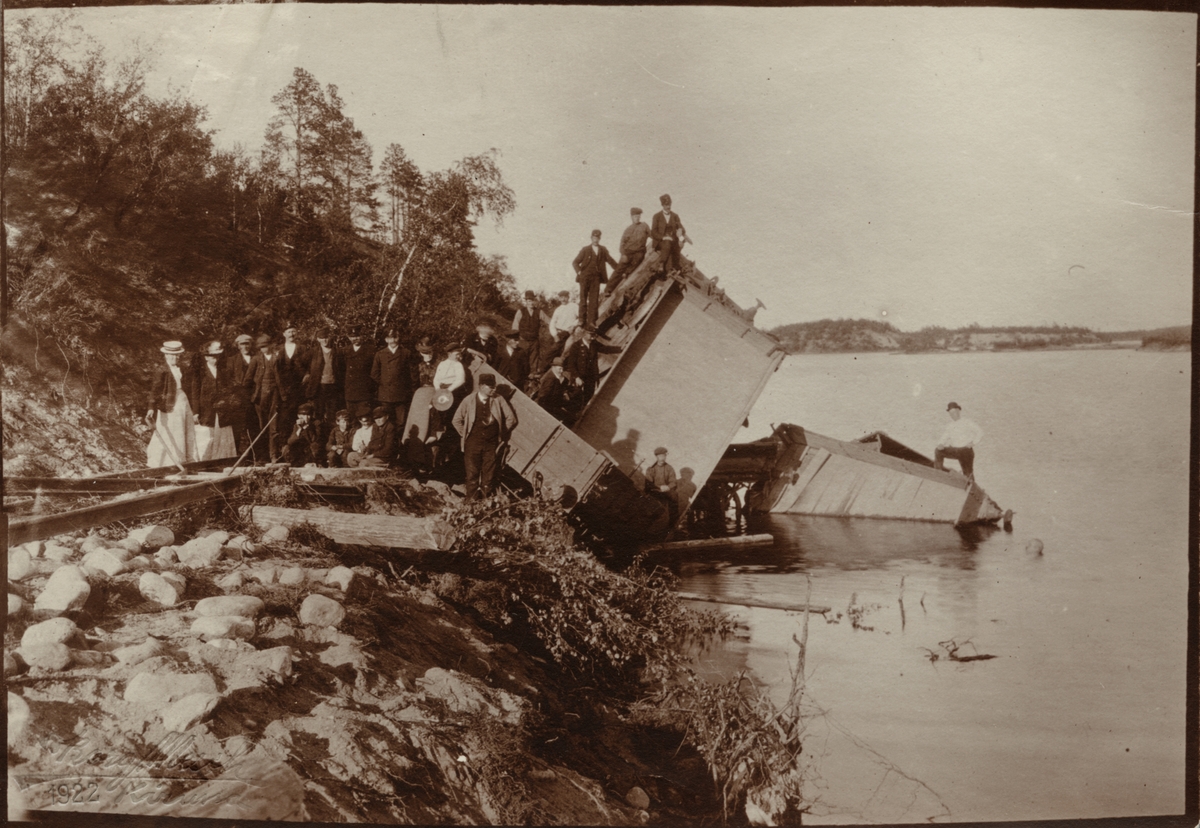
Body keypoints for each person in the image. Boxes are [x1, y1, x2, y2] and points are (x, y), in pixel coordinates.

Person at [452, 372, 518, 500]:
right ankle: (471, 502)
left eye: (494, 387)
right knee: (472, 475)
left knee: (488, 476)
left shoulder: (498, 399)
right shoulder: (469, 400)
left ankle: (485, 503)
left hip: (491, 444)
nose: (494, 389)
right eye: (491, 387)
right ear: (481, 386)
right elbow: (456, 420)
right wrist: (465, 433)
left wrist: (500, 433)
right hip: (472, 444)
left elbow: (511, 418)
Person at [145, 341, 197, 468]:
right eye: (173, 355)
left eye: (178, 355)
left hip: (182, 401)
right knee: (173, 430)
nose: (176, 358)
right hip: (169, 404)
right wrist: (151, 407)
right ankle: (168, 462)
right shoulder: (161, 370)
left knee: (185, 429)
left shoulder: (181, 369)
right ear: (166, 355)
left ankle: (186, 460)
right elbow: (155, 390)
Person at [191, 340, 237, 462]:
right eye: (213, 357)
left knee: (223, 435)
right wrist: (195, 411)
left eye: (217, 356)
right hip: (206, 410)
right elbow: (195, 393)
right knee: (207, 436)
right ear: (206, 357)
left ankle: (222, 461)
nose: (216, 359)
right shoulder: (200, 372)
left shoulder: (224, 371)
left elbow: (229, 390)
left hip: (223, 411)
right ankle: (204, 462)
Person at [403, 336, 440, 471]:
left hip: (435, 394)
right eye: (424, 353)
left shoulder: (439, 364)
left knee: (431, 426)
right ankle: (414, 460)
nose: (427, 355)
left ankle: (430, 463)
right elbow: (412, 382)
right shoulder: (417, 365)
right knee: (417, 427)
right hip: (419, 397)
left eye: (429, 352)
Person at [273, 321, 311, 449]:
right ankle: (284, 446)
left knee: (299, 416)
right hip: (283, 390)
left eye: (294, 331)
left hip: (299, 389)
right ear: (284, 334)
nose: (292, 334)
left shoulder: (303, 348)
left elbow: (308, 366)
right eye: (289, 332)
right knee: (284, 418)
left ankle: (301, 446)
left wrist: (307, 374)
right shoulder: (278, 349)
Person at [572, 229, 618, 327]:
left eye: (597, 238)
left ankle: (592, 321)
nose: (595, 240)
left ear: (599, 238)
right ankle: (581, 319)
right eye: (594, 238)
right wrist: (579, 272)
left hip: (596, 278)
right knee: (583, 298)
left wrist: (620, 269)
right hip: (584, 277)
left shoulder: (603, 250)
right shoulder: (585, 249)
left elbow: (611, 261)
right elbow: (575, 262)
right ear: (591, 238)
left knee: (594, 300)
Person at [371, 328, 414, 430]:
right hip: (385, 394)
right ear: (386, 339)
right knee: (387, 421)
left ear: (399, 338)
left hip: (401, 394)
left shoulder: (406, 353)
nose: (393, 340)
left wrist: (404, 387)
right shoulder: (380, 354)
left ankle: (400, 440)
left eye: (395, 337)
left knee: (401, 422)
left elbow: (412, 374)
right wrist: (386, 383)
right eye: (390, 338)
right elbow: (374, 373)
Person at [225, 333, 260, 456]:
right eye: (242, 344)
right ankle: (237, 456)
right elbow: (229, 379)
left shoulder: (257, 358)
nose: (245, 346)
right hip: (239, 398)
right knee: (238, 428)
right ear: (238, 346)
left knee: (255, 427)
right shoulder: (232, 360)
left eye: (247, 344)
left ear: (251, 345)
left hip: (255, 397)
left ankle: (255, 455)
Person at [248, 333, 281, 461]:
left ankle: (273, 455)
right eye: (261, 347)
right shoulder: (256, 359)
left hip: (275, 394)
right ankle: (262, 456)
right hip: (260, 396)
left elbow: (284, 376)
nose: (263, 349)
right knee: (261, 426)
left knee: (274, 426)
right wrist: (251, 395)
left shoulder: (277, 358)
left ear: (270, 345)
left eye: (265, 346)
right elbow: (248, 379)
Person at [934, 402, 984, 480]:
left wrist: (973, 443)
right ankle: (938, 474)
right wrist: (940, 443)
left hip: (965, 451)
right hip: (955, 451)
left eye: (954, 412)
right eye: (950, 413)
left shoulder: (967, 422)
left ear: (958, 411)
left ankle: (971, 485)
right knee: (938, 451)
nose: (952, 415)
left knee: (967, 474)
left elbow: (980, 432)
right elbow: (944, 437)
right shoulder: (950, 425)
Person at [607, 207, 649, 297]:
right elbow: (622, 244)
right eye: (635, 216)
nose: (637, 218)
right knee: (619, 269)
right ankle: (608, 289)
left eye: (638, 216)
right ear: (631, 217)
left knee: (638, 260)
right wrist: (623, 254)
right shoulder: (628, 229)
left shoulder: (644, 226)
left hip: (639, 252)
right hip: (628, 252)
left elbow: (652, 235)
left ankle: (627, 273)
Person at [307, 328, 344, 426]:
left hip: (333, 386)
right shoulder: (313, 352)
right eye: (322, 338)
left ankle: (331, 433)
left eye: (326, 337)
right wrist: (308, 375)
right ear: (318, 339)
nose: (325, 340)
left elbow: (342, 368)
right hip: (319, 386)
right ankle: (319, 434)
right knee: (318, 413)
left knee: (332, 412)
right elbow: (301, 364)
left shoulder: (337, 352)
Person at [650, 193, 690, 277]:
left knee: (676, 246)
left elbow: (681, 228)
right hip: (660, 242)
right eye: (666, 205)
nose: (668, 207)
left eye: (669, 204)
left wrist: (680, 230)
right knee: (667, 243)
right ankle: (662, 263)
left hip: (673, 241)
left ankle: (674, 269)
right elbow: (653, 232)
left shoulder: (675, 216)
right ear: (662, 205)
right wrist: (663, 237)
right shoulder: (656, 216)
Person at [342, 327, 376, 420]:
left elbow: (374, 371)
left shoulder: (370, 350)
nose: (355, 339)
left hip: (364, 392)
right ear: (349, 337)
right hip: (350, 391)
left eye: (357, 336)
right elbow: (341, 371)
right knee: (352, 419)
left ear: (362, 336)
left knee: (365, 418)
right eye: (352, 337)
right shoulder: (345, 351)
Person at [644, 446, 679, 528]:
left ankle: (671, 527)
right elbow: (648, 484)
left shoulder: (669, 468)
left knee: (674, 498)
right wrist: (658, 488)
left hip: (666, 493)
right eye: (660, 456)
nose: (662, 458)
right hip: (654, 493)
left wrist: (668, 487)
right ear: (656, 457)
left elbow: (673, 482)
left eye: (664, 456)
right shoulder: (651, 469)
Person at [282, 402, 322, 467]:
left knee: (314, 446)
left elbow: (313, 440)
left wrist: (305, 427)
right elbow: (290, 441)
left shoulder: (316, 424)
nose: (306, 418)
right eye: (303, 415)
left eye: (308, 415)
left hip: (310, 449)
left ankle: (315, 462)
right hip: (301, 450)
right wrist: (299, 429)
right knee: (287, 448)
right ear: (299, 416)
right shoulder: (296, 425)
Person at [534, 356, 572, 421]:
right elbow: (542, 397)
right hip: (547, 408)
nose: (561, 371)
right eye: (559, 369)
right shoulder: (550, 379)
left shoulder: (557, 377)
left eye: (562, 369)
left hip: (553, 405)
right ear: (553, 367)